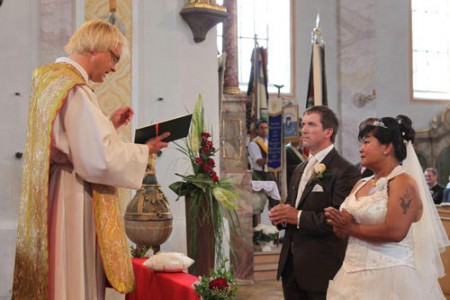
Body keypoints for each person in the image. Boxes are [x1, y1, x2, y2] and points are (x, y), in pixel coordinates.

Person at [12, 19, 170, 300]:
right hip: (74, 196)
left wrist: (107, 125)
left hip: (58, 189)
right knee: (73, 277)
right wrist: (145, 150)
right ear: (97, 48)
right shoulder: (76, 89)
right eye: (115, 58)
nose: (114, 68)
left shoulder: (52, 80)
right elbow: (97, 160)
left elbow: (72, 142)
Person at [325, 116, 449, 299]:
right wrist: (339, 224)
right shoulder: (361, 183)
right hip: (351, 275)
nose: (361, 149)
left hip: (389, 276)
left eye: (367, 142)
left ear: (387, 147)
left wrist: (350, 227)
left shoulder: (403, 182)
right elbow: (344, 232)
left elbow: (396, 232)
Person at [269, 106, 360, 300]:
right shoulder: (300, 168)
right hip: (291, 265)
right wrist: (282, 217)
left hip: (321, 266)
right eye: (303, 124)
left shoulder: (345, 171)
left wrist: (297, 216)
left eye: (311, 124)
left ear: (328, 132)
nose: (303, 129)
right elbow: (295, 208)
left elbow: (337, 221)